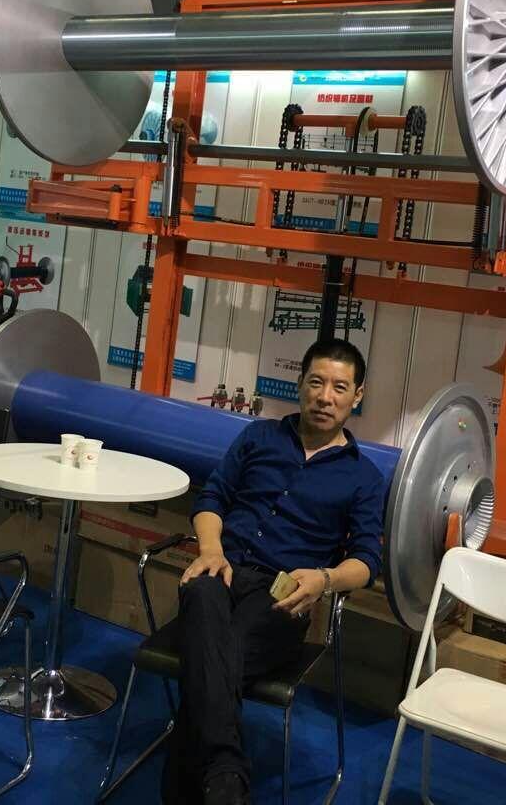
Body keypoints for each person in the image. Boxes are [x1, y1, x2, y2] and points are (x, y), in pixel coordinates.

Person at [161, 338, 387, 805]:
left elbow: (367, 561)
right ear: (300, 383)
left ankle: (204, 780)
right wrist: (211, 549)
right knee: (202, 594)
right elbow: (212, 498)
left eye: (339, 387)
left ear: (357, 395)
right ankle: (226, 776)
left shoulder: (364, 477)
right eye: (316, 383)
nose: (325, 397)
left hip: (283, 595)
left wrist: (325, 579)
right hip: (223, 569)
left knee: (216, 655)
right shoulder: (258, 438)